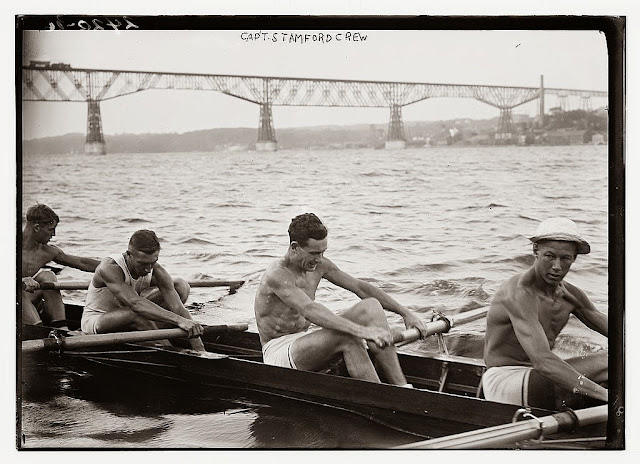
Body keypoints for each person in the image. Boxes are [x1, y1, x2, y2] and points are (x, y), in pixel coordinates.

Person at [254, 213, 429, 386]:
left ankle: (402, 387)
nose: (319, 259)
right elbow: (309, 310)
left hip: (303, 341)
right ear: (294, 247)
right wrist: (364, 332)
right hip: (278, 353)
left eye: (323, 252)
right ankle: (381, 396)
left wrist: (405, 313)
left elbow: (360, 287)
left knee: (371, 307)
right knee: (348, 336)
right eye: (314, 253)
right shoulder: (277, 274)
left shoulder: (319, 265)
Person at [483, 217, 608, 410]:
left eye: (565, 258)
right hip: (504, 382)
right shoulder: (518, 293)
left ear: (574, 258)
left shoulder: (570, 295)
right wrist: (608, 396)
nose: (557, 266)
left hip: (538, 378)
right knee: (613, 362)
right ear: (535, 251)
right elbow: (543, 362)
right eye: (550, 256)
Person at [80, 229, 205, 351]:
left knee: (180, 286)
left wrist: (199, 347)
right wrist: (179, 320)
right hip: (98, 321)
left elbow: (178, 308)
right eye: (143, 263)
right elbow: (136, 304)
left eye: (153, 262)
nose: (148, 269)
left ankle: (155, 334)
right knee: (137, 313)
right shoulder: (109, 267)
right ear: (129, 255)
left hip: (130, 315)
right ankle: (170, 350)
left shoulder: (156, 270)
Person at [22, 204, 101, 329]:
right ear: (36, 227)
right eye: (50, 229)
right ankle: (38, 329)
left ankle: (61, 327)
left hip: (24, 302)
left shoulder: (47, 252)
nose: (53, 234)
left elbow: (82, 263)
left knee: (48, 276)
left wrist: (115, 266)